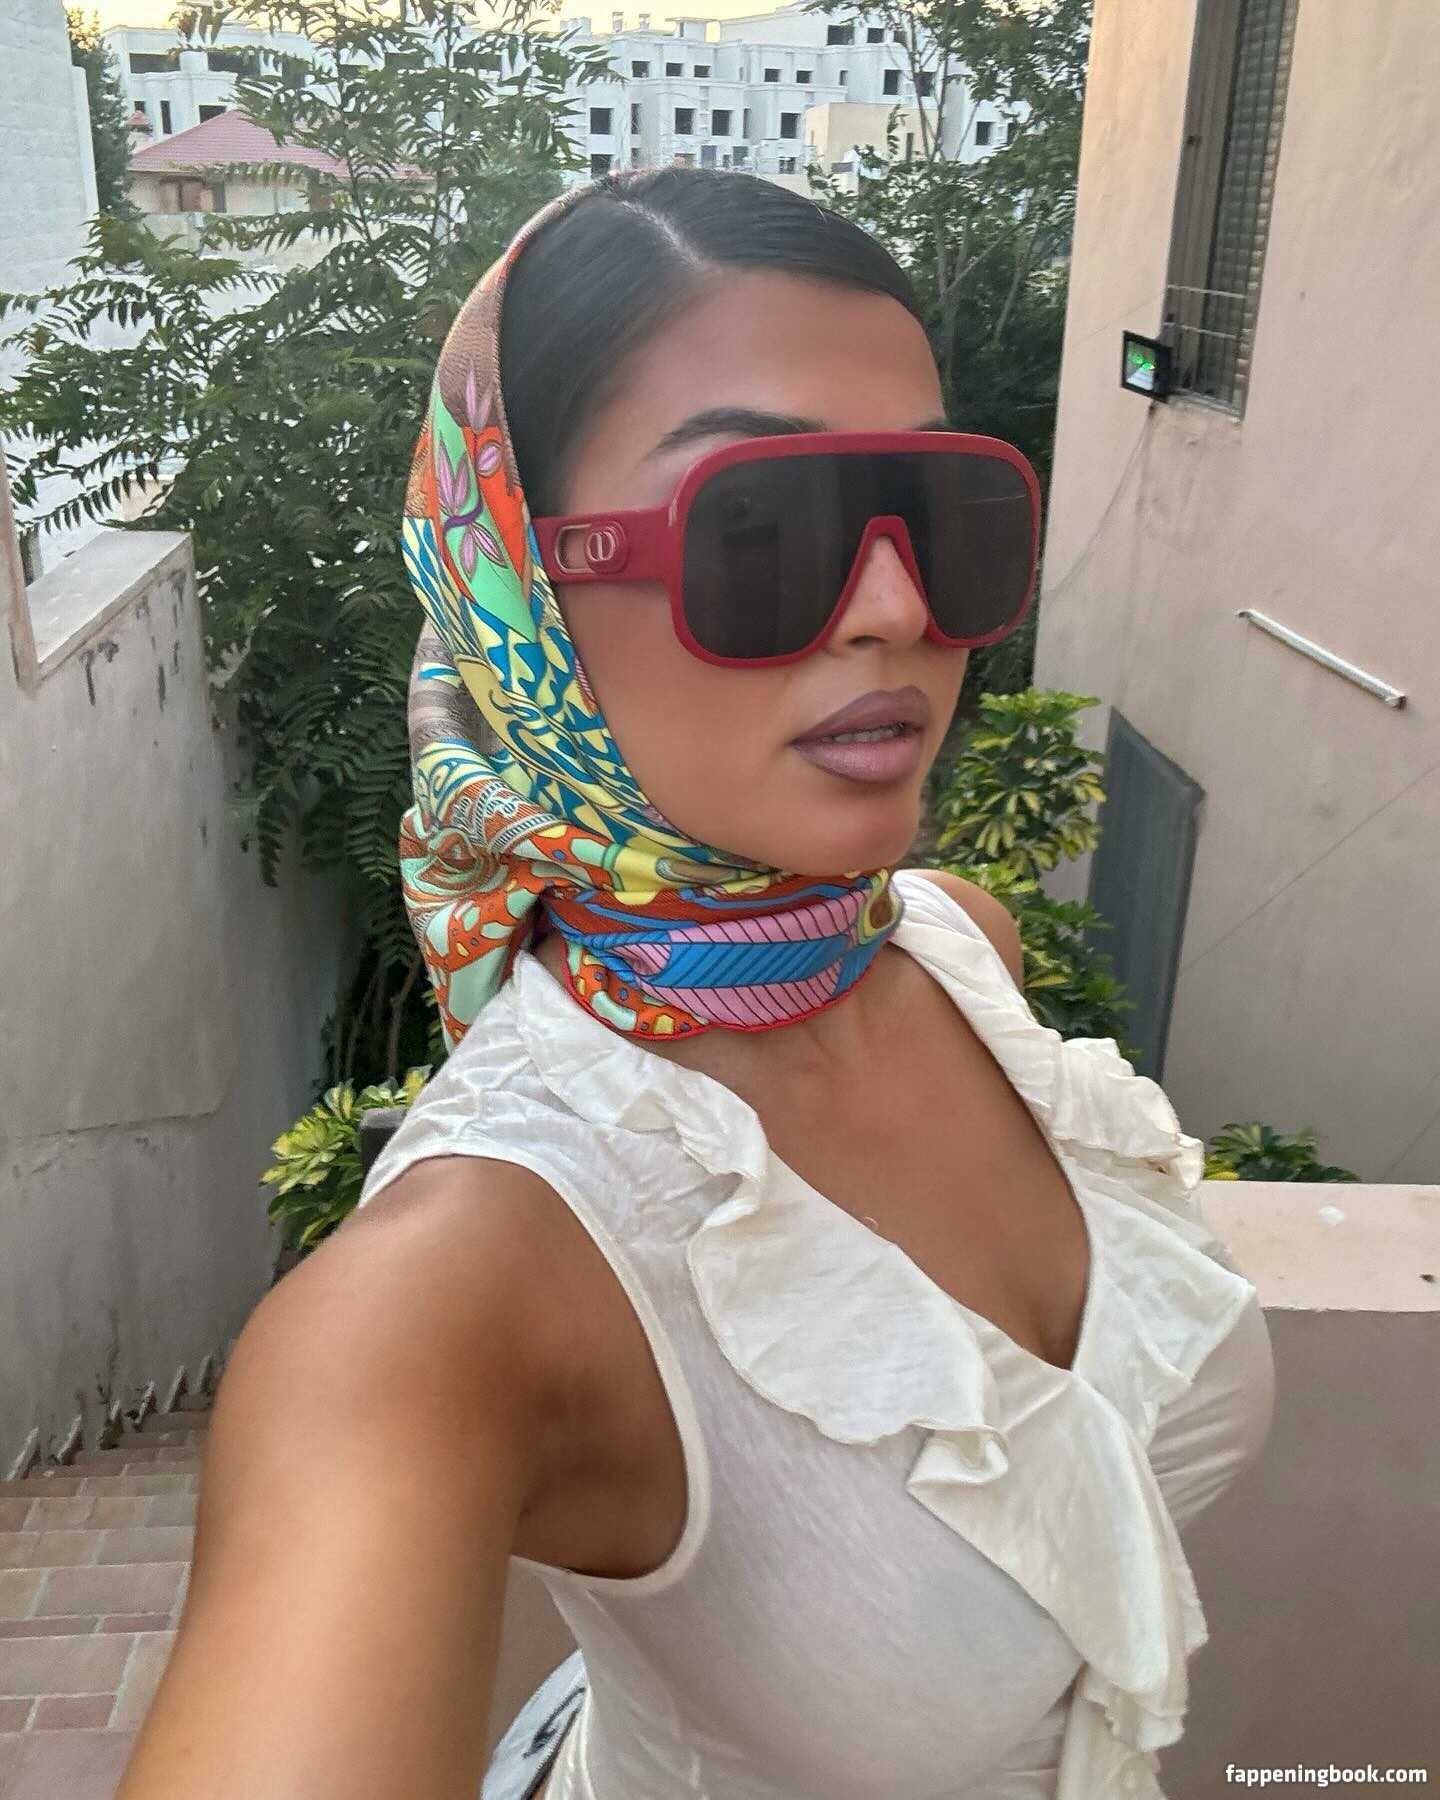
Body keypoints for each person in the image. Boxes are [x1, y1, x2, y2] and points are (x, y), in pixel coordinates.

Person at [118, 168, 1275, 1800]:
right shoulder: (454, 1289)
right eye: (762, 530)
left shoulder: (960, 947)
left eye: (942, 515)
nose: (896, 611)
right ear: (519, 592)